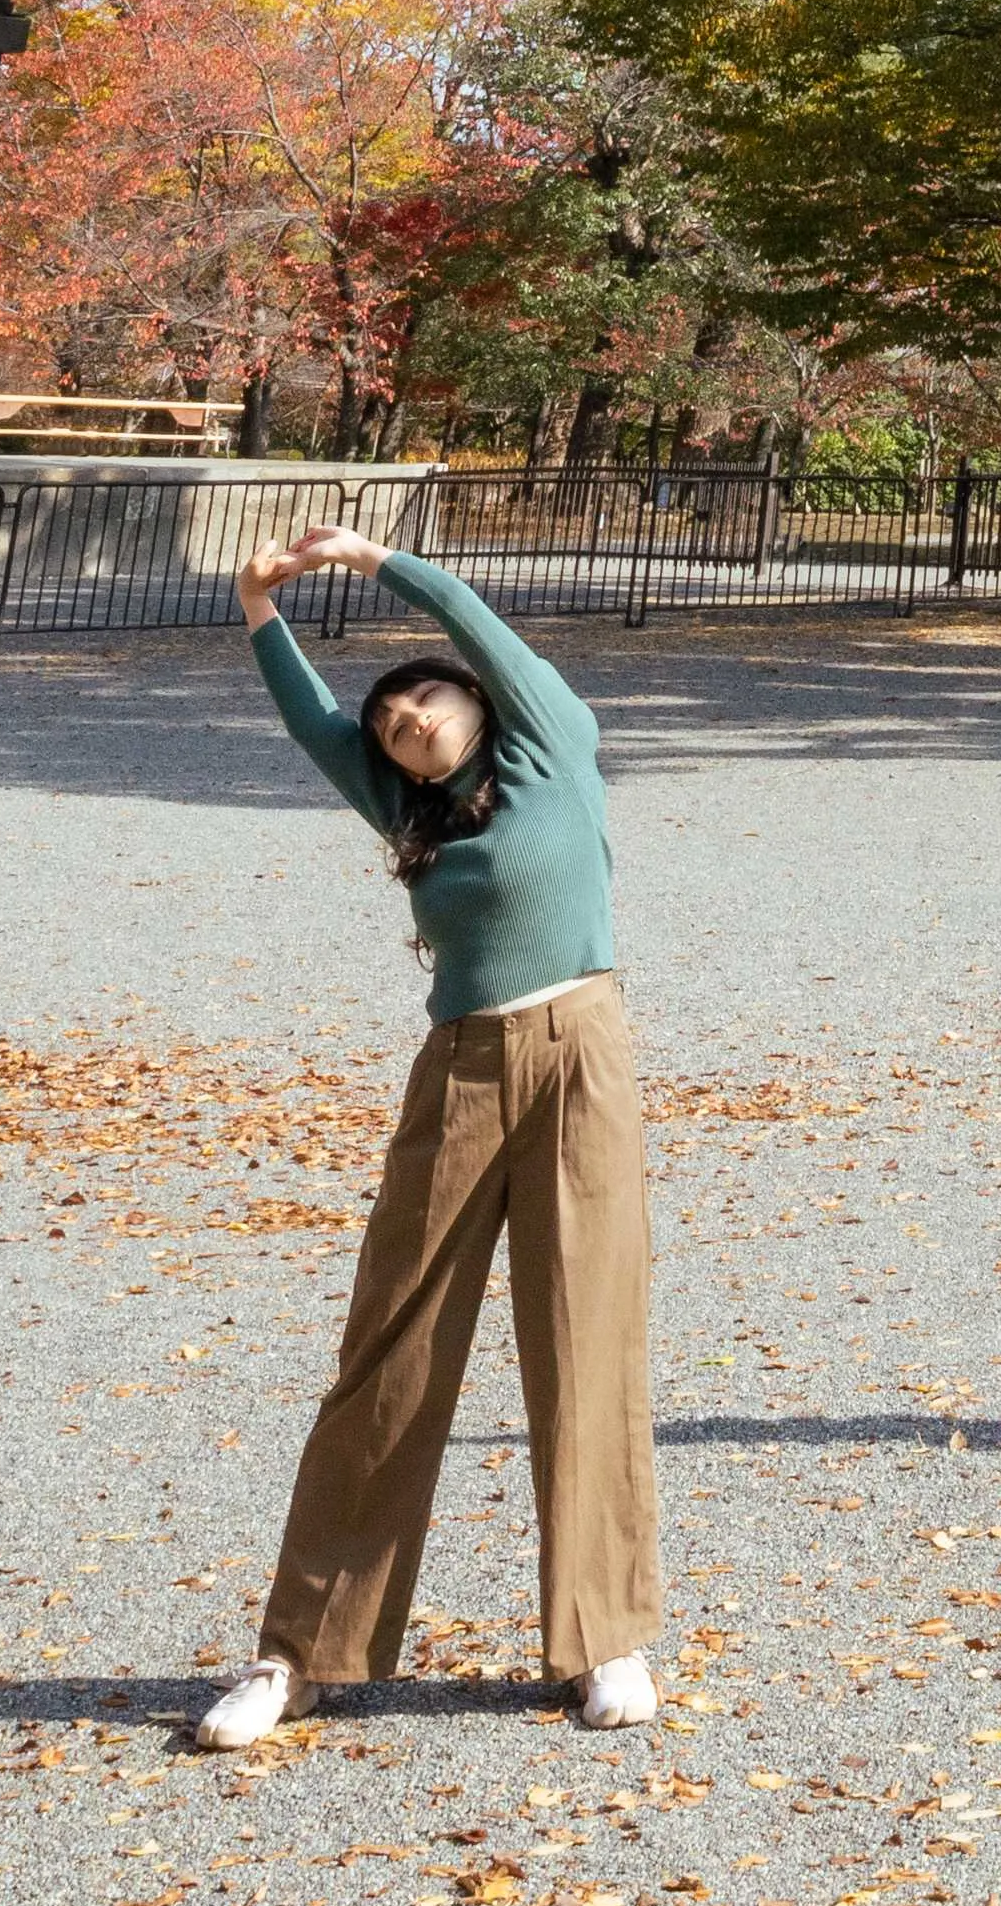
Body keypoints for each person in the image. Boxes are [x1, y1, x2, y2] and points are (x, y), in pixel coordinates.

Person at [185, 519, 660, 1750]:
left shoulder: (556, 748)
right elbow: (313, 725)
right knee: (390, 1345)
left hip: (580, 1055)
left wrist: (369, 562)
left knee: (584, 1335)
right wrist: (256, 609)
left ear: (480, 702)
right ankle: (299, 1654)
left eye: (427, 699)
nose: (406, 720)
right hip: (459, 1071)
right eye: (391, 721)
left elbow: (485, 634)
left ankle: (606, 1636)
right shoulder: (410, 811)